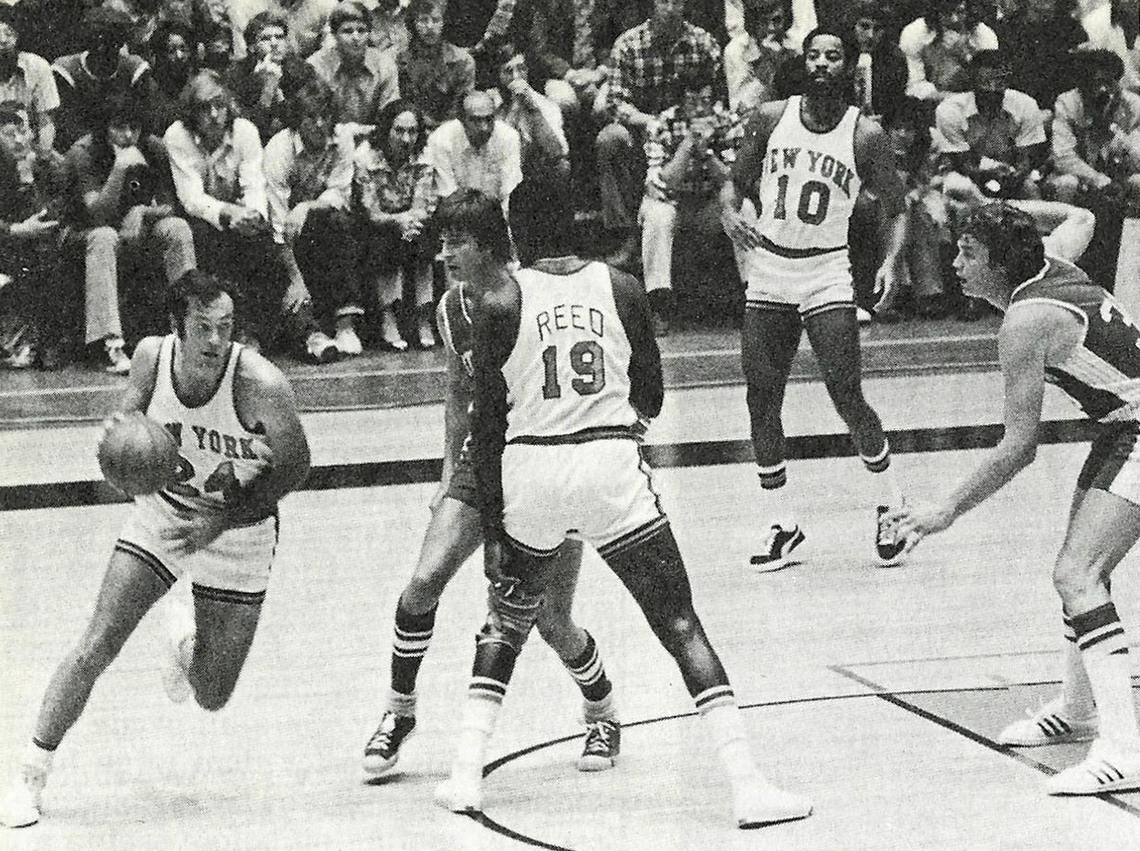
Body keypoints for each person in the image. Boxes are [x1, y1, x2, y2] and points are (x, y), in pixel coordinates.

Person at [431, 188, 813, 827]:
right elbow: (653, 397)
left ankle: (465, 774)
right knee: (681, 625)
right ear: (576, 224)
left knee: (505, 624)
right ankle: (748, 786)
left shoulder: (497, 300)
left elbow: (487, 426)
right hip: (610, 470)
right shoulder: (623, 286)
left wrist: (496, 526)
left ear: (513, 238)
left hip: (532, 471)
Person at [0, 268, 312, 828]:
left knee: (212, 696)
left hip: (240, 529)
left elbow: (296, 468)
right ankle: (28, 775)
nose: (216, 341)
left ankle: (184, 639)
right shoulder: (150, 357)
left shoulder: (261, 384)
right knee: (98, 642)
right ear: (177, 328)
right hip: (163, 514)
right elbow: (127, 416)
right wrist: (117, 445)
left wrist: (221, 522)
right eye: (203, 327)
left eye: (225, 327)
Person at [361, 193, 622, 778]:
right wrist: (446, 471)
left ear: (490, 244)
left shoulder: (537, 295)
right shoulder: (451, 309)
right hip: (482, 467)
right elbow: (458, 396)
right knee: (422, 583)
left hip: (541, 469)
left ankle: (602, 708)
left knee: (552, 621)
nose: (445, 252)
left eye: (457, 241)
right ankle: (399, 710)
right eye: (443, 240)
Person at [891, 200, 1140, 795]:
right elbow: (1081, 215)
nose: (955, 263)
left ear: (1003, 265)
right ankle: (1079, 712)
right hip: (1121, 425)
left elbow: (1019, 447)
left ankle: (1124, 751)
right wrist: (995, 209)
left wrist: (945, 510)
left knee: (1076, 575)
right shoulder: (1052, 260)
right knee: (1083, 572)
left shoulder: (1026, 323)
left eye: (969, 252)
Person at [719, 25, 910, 571]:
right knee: (761, 397)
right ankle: (783, 523)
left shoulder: (865, 134)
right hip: (772, 268)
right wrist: (732, 214)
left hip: (827, 270)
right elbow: (734, 184)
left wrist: (891, 260)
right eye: (814, 55)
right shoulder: (769, 118)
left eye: (834, 56)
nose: (823, 63)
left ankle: (891, 505)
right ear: (803, 64)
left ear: (849, 67)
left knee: (846, 393)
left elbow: (897, 207)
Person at [164, 70, 339, 362]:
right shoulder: (177, 135)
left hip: (241, 212)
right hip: (204, 218)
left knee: (264, 244)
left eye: (219, 105)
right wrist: (229, 213)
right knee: (214, 247)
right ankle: (246, 335)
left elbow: (254, 183)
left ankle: (307, 331)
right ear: (192, 113)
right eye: (205, 108)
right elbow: (191, 197)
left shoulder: (244, 129)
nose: (214, 115)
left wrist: (252, 215)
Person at [64, 91, 197, 369]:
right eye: (119, 128)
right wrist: (119, 170)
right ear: (104, 129)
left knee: (177, 228)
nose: (127, 136)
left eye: (133, 128)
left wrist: (143, 211)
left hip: (135, 232)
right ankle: (110, 343)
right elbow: (95, 213)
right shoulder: (84, 153)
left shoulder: (153, 148)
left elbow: (171, 205)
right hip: (84, 236)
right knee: (105, 236)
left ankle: (187, 328)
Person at [264, 81, 365, 357]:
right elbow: (276, 223)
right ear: (298, 121)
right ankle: (310, 335)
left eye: (325, 116)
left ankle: (346, 325)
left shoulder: (342, 138)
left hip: (320, 222)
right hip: (285, 235)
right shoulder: (279, 150)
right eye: (311, 117)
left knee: (338, 221)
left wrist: (307, 206)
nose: (320, 124)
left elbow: (340, 193)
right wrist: (295, 277)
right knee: (282, 274)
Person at [354, 99, 440, 351]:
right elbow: (371, 211)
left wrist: (409, 222)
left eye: (412, 131)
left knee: (423, 239)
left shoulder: (424, 156)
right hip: (378, 224)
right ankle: (388, 317)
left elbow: (422, 204)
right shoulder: (365, 157)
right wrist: (397, 222)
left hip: (412, 221)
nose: (406, 139)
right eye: (399, 131)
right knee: (385, 242)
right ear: (385, 130)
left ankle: (424, 318)